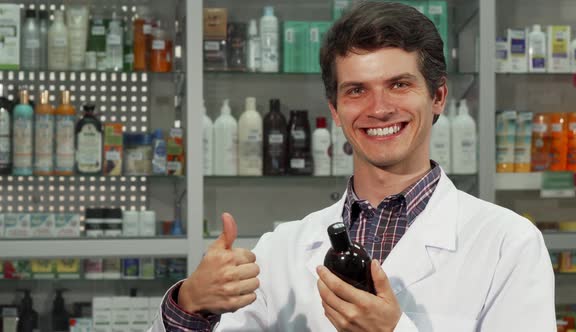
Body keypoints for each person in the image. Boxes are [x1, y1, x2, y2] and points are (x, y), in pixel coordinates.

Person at [150, 2, 555, 331]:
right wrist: (190, 304)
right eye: (356, 90)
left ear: (438, 97)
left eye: (399, 84)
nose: (379, 109)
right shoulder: (282, 249)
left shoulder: (508, 243)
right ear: (336, 111)